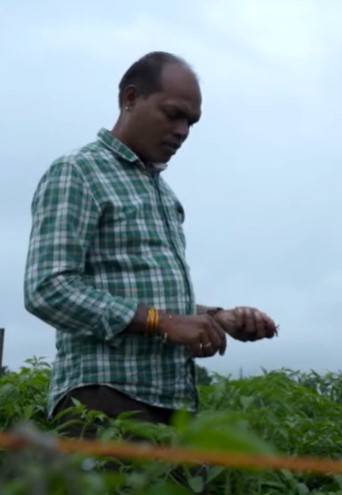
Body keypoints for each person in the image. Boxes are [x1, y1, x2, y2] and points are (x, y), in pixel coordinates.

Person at [24, 51, 278, 431]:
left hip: (171, 407)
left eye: (191, 122)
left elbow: (143, 295)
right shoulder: (78, 172)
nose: (182, 131)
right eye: (172, 114)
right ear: (129, 99)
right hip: (105, 399)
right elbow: (47, 288)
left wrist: (215, 319)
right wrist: (161, 321)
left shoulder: (164, 194)